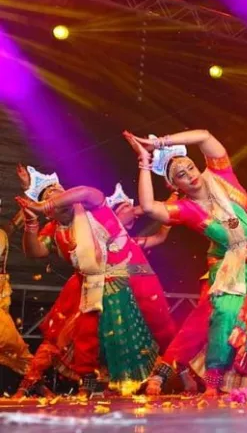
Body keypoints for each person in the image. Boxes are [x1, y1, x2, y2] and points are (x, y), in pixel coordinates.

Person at [123, 130, 247, 396]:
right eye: (181, 175)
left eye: (190, 167)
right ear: (175, 186)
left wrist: (160, 142)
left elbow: (206, 136)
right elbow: (149, 207)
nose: (190, 175)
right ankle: (213, 382)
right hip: (232, 265)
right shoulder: (186, 210)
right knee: (224, 314)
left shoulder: (221, 175)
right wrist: (145, 161)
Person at [16, 169, 163, 394]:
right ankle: (80, 383)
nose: (57, 198)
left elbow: (85, 192)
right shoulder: (54, 229)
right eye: (50, 198)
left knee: (123, 338)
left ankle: (157, 377)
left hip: (120, 282)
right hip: (85, 286)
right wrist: (31, 224)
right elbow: (35, 252)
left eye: (60, 193)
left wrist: (42, 205)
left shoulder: (94, 209)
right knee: (78, 337)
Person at [0, 201, 33, 379]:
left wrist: (25, 210)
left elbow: (11, 227)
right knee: (16, 347)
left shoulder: (2, 233)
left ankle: (36, 384)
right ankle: (39, 385)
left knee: (16, 348)